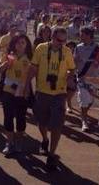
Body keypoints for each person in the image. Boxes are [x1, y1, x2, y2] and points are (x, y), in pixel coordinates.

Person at [26, 26, 76, 171]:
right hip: (42, 91)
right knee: (42, 121)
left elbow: (72, 68)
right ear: (52, 38)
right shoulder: (41, 49)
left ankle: (52, 154)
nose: (62, 43)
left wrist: (70, 78)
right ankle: (45, 139)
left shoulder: (67, 52)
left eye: (64, 40)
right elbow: (33, 69)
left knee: (57, 124)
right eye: (60, 40)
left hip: (59, 93)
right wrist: (25, 87)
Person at [0, 33, 33, 157]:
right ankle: (9, 142)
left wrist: (26, 87)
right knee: (8, 116)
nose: (20, 45)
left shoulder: (30, 58)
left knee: (21, 117)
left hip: (22, 91)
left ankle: (19, 142)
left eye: (23, 42)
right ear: (14, 44)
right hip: (8, 90)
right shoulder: (8, 56)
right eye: (18, 42)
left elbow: (33, 74)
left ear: (27, 44)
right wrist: (6, 64)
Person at [74, 26, 99, 131]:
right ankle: (84, 121)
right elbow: (75, 62)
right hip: (82, 78)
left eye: (82, 34)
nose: (80, 36)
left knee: (90, 100)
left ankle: (84, 114)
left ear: (88, 35)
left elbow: (98, 63)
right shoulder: (78, 47)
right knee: (83, 99)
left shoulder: (98, 48)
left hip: (93, 79)